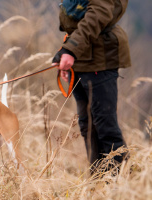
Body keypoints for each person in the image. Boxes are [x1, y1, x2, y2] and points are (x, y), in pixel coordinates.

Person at [52, 0, 131, 172]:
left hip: (100, 58)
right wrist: (67, 53)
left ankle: (124, 186)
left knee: (105, 126)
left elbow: (98, 15)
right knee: (88, 126)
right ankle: (98, 183)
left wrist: (70, 50)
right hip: (82, 58)